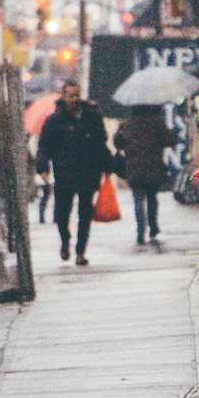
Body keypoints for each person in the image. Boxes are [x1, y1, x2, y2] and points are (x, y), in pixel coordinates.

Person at [35, 80, 113, 265]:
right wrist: (43, 167)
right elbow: (44, 145)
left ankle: (80, 252)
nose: (74, 99)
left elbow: (100, 143)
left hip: (88, 172)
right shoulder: (54, 120)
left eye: (76, 95)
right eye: (70, 95)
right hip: (65, 173)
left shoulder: (91, 116)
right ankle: (65, 241)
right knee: (62, 213)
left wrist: (108, 166)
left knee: (85, 214)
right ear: (64, 96)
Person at [114, 105, 176, 246]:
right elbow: (169, 140)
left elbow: (117, 142)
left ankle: (140, 231)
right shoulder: (156, 122)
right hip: (153, 167)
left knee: (138, 201)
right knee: (152, 198)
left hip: (134, 168)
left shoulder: (127, 124)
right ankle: (153, 227)